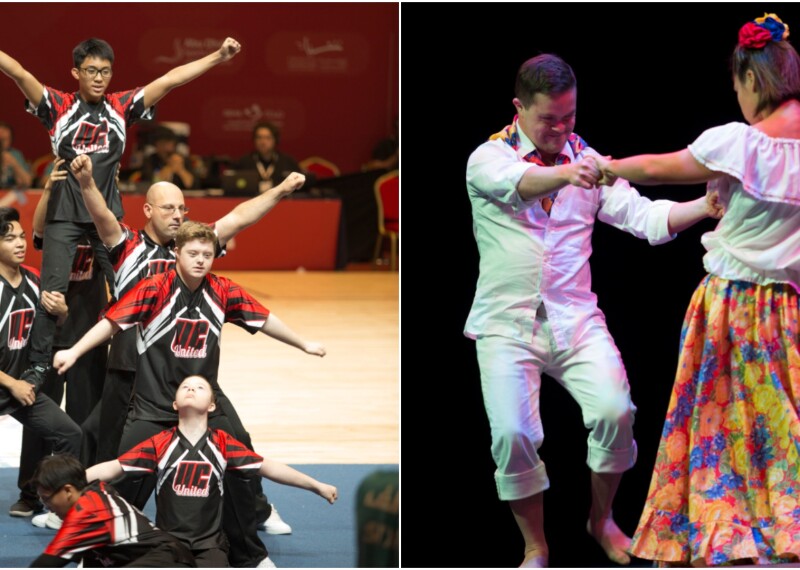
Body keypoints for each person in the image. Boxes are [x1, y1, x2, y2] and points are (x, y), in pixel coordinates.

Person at [464, 53, 723, 567]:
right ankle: (536, 545)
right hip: (505, 325)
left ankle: (600, 520)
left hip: (575, 320)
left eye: (569, 116)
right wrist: (569, 175)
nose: (560, 129)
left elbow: (645, 218)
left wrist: (705, 208)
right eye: (548, 119)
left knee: (616, 411)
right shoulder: (487, 159)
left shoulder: (588, 160)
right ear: (519, 109)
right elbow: (519, 185)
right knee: (513, 434)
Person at [595, 13, 800, 566]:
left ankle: (725, 530)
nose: (736, 96)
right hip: (788, 311)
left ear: (752, 80)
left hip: (730, 306)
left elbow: (662, 167)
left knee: (718, 422)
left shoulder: (741, 144)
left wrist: (606, 167)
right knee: (782, 426)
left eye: (737, 85)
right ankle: (780, 529)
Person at [53, 220, 325, 568]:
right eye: (193, 253)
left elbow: (264, 319)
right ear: (176, 253)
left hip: (203, 405)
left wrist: (303, 344)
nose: (200, 260)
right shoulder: (154, 288)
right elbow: (111, 323)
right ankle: (96, 555)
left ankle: (250, 555)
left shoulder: (223, 290)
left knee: (241, 462)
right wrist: (74, 351)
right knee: (123, 481)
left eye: (207, 255)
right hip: (153, 407)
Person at [70, 152, 303, 537]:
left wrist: (281, 189)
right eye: (169, 208)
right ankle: (99, 521)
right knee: (115, 451)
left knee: (237, 440)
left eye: (183, 208)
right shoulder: (126, 245)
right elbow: (102, 216)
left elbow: (240, 216)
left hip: (192, 372)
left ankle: (257, 510)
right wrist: (86, 183)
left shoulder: (195, 243)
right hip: (130, 369)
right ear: (148, 210)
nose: (178, 214)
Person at [0, 36, 242, 388]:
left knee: (130, 291)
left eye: (106, 72)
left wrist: (218, 56)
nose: (99, 78)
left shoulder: (121, 106)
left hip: (107, 220)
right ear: (76, 72)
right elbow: (19, 73)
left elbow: (171, 79)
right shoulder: (57, 105)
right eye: (91, 71)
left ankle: (146, 356)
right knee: (51, 294)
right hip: (64, 217)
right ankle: (38, 366)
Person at [86, 375, 337, 567]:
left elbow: (268, 467)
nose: (191, 388)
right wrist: (74, 479)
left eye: (200, 387)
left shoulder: (223, 444)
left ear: (213, 406)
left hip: (210, 547)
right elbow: (113, 467)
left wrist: (316, 485)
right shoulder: (160, 443)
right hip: (167, 546)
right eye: (185, 387)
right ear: (175, 404)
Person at [13, 158, 108, 528]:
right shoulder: (57, 227)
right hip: (49, 339)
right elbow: (36, 232)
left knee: (84, 419)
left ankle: (76, 489)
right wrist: (50, 188)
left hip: (88, 338)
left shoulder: (103, 227)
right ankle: (29, 490)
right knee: (39, 419)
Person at [0, 206, 82, 517]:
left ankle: (47, 502)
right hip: (12, 384)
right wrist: (13, 383)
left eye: (22, 237)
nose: (20, 243)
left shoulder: (36, 282)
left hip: (21, 388)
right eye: (10, 239)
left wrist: (62, 313)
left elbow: (49, 330)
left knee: (69, 434)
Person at [29, 454, 196, 568]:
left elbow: (46, 564)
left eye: (46, 498)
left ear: (68, 491)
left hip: (168, 561)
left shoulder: (87, 513)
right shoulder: (95, 493)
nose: (47, 505)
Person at [236, 121, 314, 193]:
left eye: (267, 138)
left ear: (275, 140)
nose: (263, 142)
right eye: (259, 137)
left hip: (282, 203)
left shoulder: (288, 162)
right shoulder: (244, 162)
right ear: (254, 140)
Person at [139, 124, 197, 189]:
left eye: (169, 144)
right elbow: (152, 183)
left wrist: (181, 170)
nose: (166, 148)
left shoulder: (182, 159)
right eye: (162, 144)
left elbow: (191, 185)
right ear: (156, 145)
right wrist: (169, 167)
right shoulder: (150, 160)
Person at [0, 120, 32, 189]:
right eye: (1, 139)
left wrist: (14, 164)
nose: (2, 144)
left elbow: (27, 182)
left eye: (6, 139)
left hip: (11, 194)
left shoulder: (15, 154)